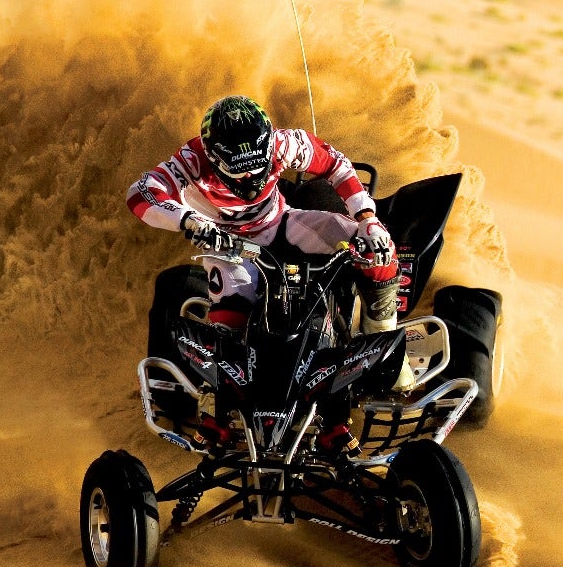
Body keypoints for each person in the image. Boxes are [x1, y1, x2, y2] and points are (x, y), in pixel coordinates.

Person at [126, 95, 414, 391]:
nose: (251, 176)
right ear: (214, 157)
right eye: (240, 170)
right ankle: (225, 393)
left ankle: (382, 340)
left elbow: (336, 165)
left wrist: (367, 219)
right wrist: (189, 221)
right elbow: (141, 192)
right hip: (229, 244)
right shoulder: (192, 159)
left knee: (378, 246)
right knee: (229, 324)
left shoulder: (283, 144)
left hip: (282, 223)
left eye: (257, 166)